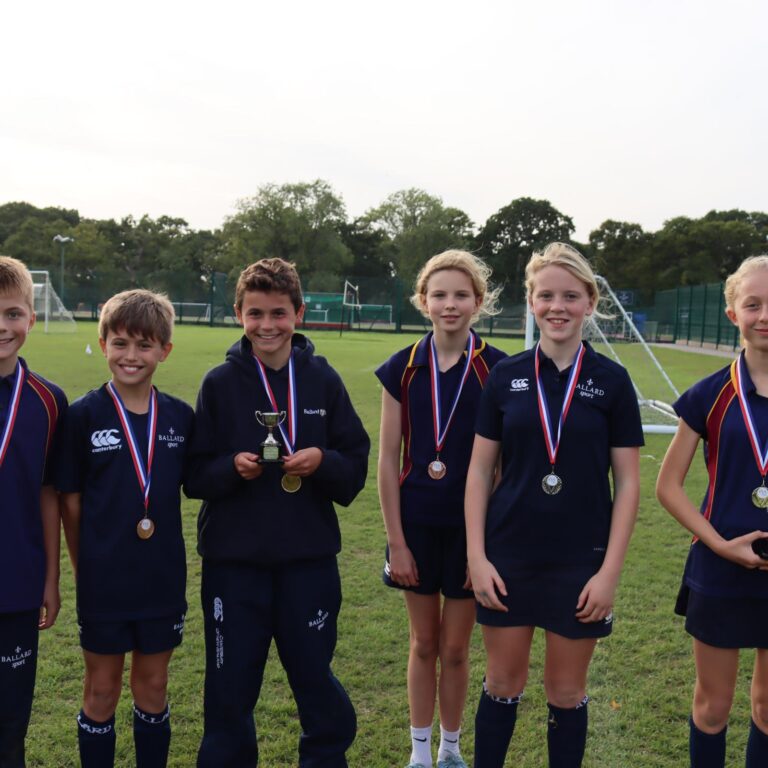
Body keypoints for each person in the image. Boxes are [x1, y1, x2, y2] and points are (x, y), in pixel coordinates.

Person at [186, 257, 370, 768]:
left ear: (299, 313)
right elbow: (194, 475)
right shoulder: (219, 383)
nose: (267, 325)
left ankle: (325, 758)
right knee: (229, 686)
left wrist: (322, 461)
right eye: (255, 313)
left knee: (314, 676)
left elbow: (355, 463)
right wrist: (231, 468)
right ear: (238, 315)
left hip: (308, 563)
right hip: (233, 566)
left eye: (278, 313)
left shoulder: (323, 380)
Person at [466, 242, 643, 767]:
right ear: (531, 302)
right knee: (502, 682)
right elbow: (479, 472)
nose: (557, 306)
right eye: (546, 295)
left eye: (570, 296)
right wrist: (476, 557)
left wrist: (609, 573)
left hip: (580, 563)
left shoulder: (612, 381)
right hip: (507, 557)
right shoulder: (505, 376)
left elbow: (628, 484)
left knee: (566, 691)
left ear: (590, 302)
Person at [375, 249, 505, 768]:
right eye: (439, 295)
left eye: (461, 295)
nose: (450, 304)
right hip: (416, 528)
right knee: (423, 642)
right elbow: (388, 459)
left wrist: (482, 548)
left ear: (478, 301)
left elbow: (501, 466)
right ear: (422, 301)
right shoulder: (402, 367)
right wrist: (397, 543)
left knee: (455, 648)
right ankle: (420, 753)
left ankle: (451, 750)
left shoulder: (498, 368)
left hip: (472, 533)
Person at [56, 290, 193, 768]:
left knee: (153, 685)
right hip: (103, 582)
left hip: (161, 580)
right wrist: (85, 564)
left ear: (164, 351)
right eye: (120, 343)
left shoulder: (180, 417)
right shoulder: (82, 415)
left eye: (144, 345)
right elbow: (70, 502)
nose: (131, 355)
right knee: (101, 688)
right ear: (103, 345)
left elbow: (202, 481)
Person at [656, 254, 768, 767]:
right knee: (712, 706)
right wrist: (721, 545)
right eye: (753, 304)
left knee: (767, 708)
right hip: (719, 571)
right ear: (733, 314)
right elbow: (668, 486)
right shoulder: (709, 394)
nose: (764, 315)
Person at [0, 255, 67, 768]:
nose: (2, 326)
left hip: (16, 584)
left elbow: (50, 493)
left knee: (9, 725)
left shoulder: (48, 401)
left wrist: (51, 578)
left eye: (12, 313)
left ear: (32, 319)